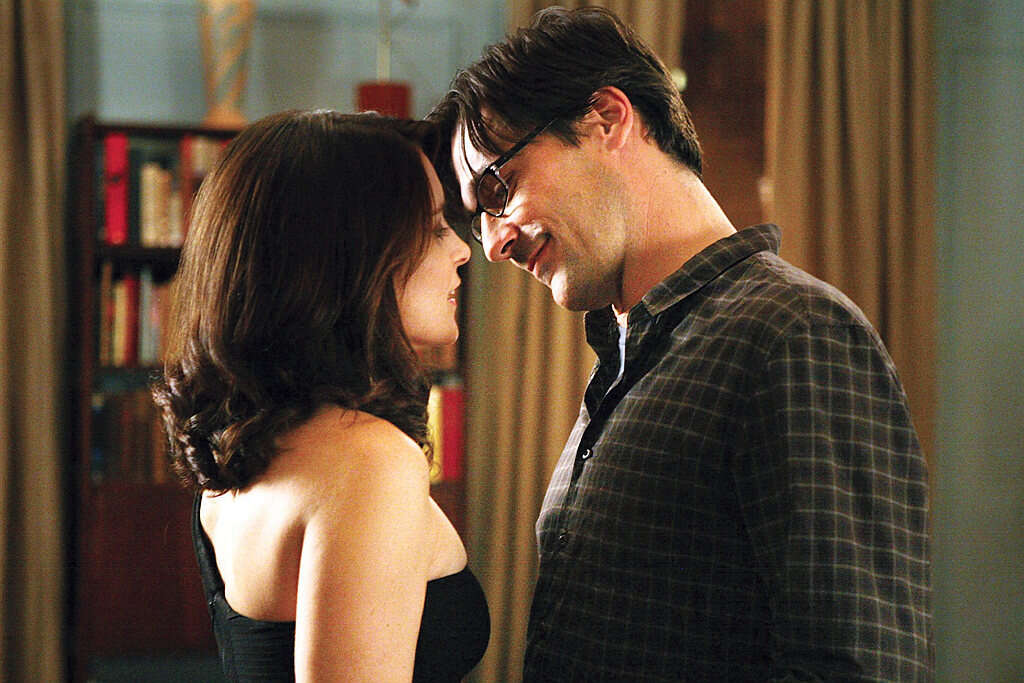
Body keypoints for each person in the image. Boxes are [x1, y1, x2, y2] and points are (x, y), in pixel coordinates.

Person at [430, 6, 932, 681]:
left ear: (607, 119)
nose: (492, 244)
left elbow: (854, 668)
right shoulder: (630, 355)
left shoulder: (793, 333)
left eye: (499, 187)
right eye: (477, 218)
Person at [152, 109, 488, 682]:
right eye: (434, 227)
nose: (462, 249)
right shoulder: (369, 460)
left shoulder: (247, 451)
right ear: (349, 256)